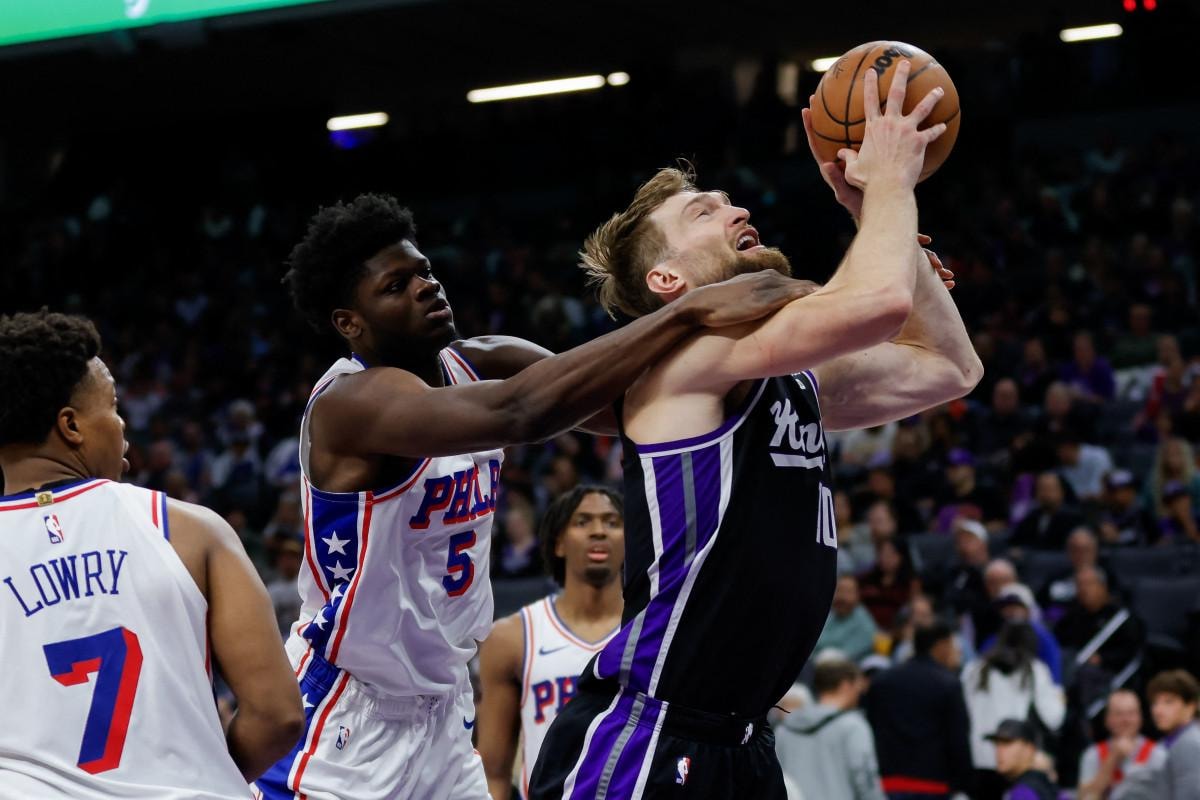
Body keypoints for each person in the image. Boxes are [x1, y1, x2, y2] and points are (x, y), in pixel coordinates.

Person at [254, 188, 810, 799]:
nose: (425, 287)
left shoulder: (485, 360)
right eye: (396, 286)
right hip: (347, 709)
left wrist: (766, 335)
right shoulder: (350, 404)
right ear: (349, 323)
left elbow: (634, 404)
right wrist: (687, 312)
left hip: (444, 711)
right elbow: (520, 411)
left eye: (424, 271)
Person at [530, 63, 981, 800]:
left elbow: (950, 368)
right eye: (703, 213)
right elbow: (877, 301)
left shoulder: (788, 372)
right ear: (668, 280)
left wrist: (869, 207)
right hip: (651, 735)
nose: (736, 209)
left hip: (743, 740)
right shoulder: (691, 357)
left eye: (728, 200)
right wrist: (888, 183)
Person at [0, 311, 304, 798]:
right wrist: (200, 773)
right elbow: (279, 714)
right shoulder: (192, 530)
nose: (123, 426)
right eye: (113, 407)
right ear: (71, 426)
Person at [478, 487, 625, 800]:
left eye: (612, 522)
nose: (599, 531)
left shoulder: (655, 630)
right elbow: (493, 773)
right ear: (559, 543)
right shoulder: (512, 637)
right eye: (583, 521)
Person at [866, 621, 975, 799]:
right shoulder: (948, 685)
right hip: (933, 786)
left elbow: (871, 729)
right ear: (942, 645)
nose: (958, 653)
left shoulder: (881, 682)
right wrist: (965, 785)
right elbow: (958, 740)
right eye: (954, 646)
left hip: (888, 784)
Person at [962, 621, 1065, 799]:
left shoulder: (973, 669)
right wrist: (1058, 694)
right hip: (1013, 762)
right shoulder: (1033, 669)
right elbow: (1054, 718)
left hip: (976, 761)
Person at [775, 657, 885, 800]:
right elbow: (865, 779)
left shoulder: (784, 729)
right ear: (846, 685)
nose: (860, 692)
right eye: (857, 685)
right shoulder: (853, 726)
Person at [1076, 689, 1166, 800]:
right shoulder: (1093, 755)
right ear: (1107, 719)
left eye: (1131, 713)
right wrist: (1112, 759)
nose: (1126, 720)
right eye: (1118, 714)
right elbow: (1086, 797)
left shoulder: (1158, 754)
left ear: (1140, 718)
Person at [1147, 669, 1200, 800]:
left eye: (1168, 702)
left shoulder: (1189, 743)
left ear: (1190, 706)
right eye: (1155, 703)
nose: (1158, 710)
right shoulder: (1168, 742)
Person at [985, 719, 1059, 800]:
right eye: (997, 744)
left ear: (1029, 749)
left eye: (1006, 743)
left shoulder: (1024, 791)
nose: (998, 751)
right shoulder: (1045, 783)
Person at [1011, 472, 1085, 551]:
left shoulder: (1073, 518)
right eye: (1041, 489)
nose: (1045, 494)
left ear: (1061, 492)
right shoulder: (1033, 515)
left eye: (1049, 488)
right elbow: (1016, 539)